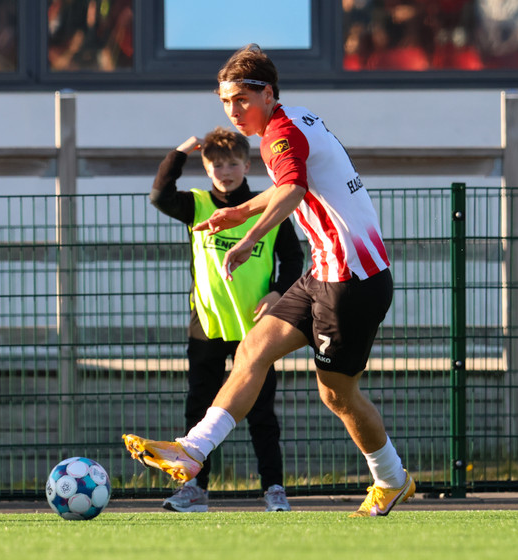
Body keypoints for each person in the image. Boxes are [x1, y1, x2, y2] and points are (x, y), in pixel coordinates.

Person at [124, 44, 415, 518]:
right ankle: (192, 450)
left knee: (337, 394)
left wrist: (247, 238)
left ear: (268, 94)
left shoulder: (280, 133)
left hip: (352, 282)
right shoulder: (293, 120)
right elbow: (289, 185)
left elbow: (293, 189)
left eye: (241, 99)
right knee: (252, 349)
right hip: (323, 273)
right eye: (225, 101)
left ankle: (391, 479)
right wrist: (240, 210)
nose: (233, 110)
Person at [147, 127, 304, 512]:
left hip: (257, 328)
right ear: (206, 168)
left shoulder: (269, 206)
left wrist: (277, 292)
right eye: (216, 165)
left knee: (261, 412)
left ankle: (274, 488)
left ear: (247, 165)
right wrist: (182, 150)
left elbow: (294, 259)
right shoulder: (197, 205)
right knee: (200, 407)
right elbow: (159, 195)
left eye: (233, 163)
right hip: (208, 326)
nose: (225, 171)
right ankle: (195, 488)